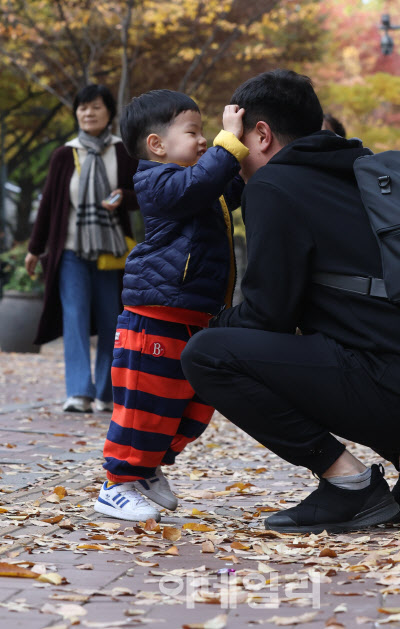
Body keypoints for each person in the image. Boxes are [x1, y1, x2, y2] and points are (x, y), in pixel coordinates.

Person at [181, 69, 400, 535]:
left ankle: (348, 486)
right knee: (360, 333)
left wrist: (211, 320)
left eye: (235, 141)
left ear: (261, 135)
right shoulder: (365, 170)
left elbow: (268, 315)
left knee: (207, 355)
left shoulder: (274, 186)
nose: (232, 158)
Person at [94, 90, 247, 523]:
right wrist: (229, 141)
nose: (203, 141)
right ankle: (116, 482)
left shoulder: (197, 184)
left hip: (193, 316)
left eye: (204, 134)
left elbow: (226, 182)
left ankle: (146, 469)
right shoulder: (156, 182)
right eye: (193, 132)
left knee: (192, 407)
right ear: (157, 145)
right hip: (155, 314)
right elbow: (203, 181)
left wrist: (251, 155)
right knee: (147, 405)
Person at [25, 83, 138, 413]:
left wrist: (123, 198)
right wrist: (35, 248)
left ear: (109, 113)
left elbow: (143, 192)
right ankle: (78, 392)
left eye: (95, 107)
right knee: (74, 317)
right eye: (82, 107)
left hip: (112, 253)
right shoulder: (65, 153)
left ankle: (106, 392)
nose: (88, 113)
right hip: (71, 251)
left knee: (110, 321)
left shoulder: (122, 151)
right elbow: (48, 205)